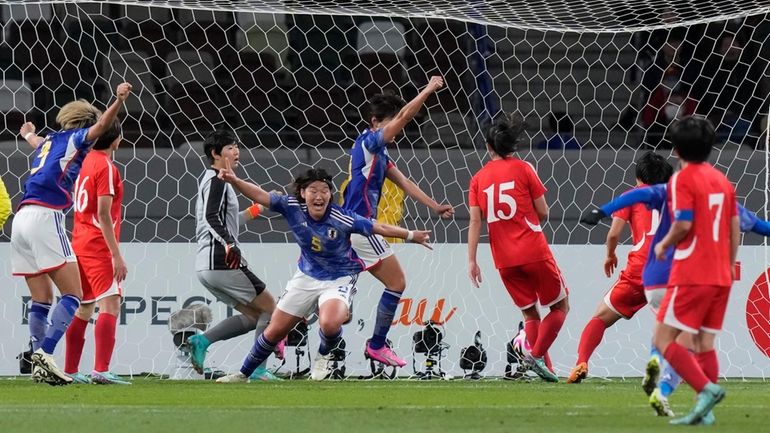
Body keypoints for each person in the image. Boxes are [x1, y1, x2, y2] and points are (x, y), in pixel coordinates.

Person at [215, 167, 431, 382]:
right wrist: (234, 180)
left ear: (330, 194)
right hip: (306, 277)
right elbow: (259, 194)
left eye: (324, 191)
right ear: (302, 193)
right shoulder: (290, 206)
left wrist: (411, 235)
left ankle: (324, 354)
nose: (319, 196)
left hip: (339, 279)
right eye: (313, 191)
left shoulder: (342, 218)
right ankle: (243, 374)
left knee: (329, 323)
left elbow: (378, 227)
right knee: (273, 332)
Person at [582, 180, 770, 418]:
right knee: (702, 343)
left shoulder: (677, 192)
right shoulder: (726, 200)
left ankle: (667, 374)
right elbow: (762, 227)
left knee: (666, 338)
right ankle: (695, 405)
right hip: (716, 279)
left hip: (675, 276)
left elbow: (637, 198)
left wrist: (602, 212)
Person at [13, 82, 132, 385]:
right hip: (46, 216)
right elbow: (103, 124)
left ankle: (40, 357)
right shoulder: (80, 140)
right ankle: (46, 354)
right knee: (74, 296)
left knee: (42, 298)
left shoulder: (51, 141)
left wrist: (27, 133)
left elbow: (36, 142)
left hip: (21, 218)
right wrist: (118, 101)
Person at [341, 77, 454, 368]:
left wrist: (435, 206)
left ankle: (286, 326)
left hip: (356, 228)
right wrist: (428, 89)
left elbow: (404, 182)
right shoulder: (368, 142)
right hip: (359, 226)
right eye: (389, 124)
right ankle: (376, 345)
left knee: (335, 301)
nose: (394, 129)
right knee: (396, 282)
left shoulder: (380, 153)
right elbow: (405, 116)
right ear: (375, 122)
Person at [467, 113, 569, 383]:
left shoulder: (478, 179)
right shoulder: (524, 168)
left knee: (529, 313)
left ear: (489, 147)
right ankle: (534, 356)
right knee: (560, 307)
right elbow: (543, 212)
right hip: (533, 250)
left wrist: (472, 261)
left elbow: (476, 221)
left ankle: (538, 364)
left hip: (503, 258)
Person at [653, 116, 736, 425]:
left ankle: (706, 389)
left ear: (675, 150)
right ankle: (706, 413)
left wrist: (663, 245)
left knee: (664, 340)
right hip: (720, 273)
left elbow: (684, 222)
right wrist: (728, 262)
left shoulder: (682, 179)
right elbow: (734, 226)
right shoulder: (722, 181)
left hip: (692, 272)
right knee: (703, 344)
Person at [568, 152, 673, 384]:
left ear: (638, 178)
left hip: (640, 270)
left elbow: (614, 233)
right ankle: (682, 371)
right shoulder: (675, 198)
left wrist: (610, 255)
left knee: (600, 317)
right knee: (677, 323)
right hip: (670, 271)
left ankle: (582, 362)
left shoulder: (632, 196)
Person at [188, 130, 281, 381]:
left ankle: (202, 341)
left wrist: (257, 209)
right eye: (229, 147)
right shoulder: (218, 179)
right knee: (271, 309)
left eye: (236, 145)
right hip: (221, 260)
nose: (236, 151)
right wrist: (230, 245)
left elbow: (228, 221)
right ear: (215, 154)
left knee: (255, 316)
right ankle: (258, 370)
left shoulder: (215, 180)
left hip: (207, 265)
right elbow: (211, 218)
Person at [57, 119, 130, 384]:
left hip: (79, 242)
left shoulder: (84, 161)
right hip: (98, 245)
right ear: (115, 140)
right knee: (111, 302)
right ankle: (101, 369)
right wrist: (116, 254)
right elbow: (103, 212)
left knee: (84, 307)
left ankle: (71, 370)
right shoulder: (107, 166)